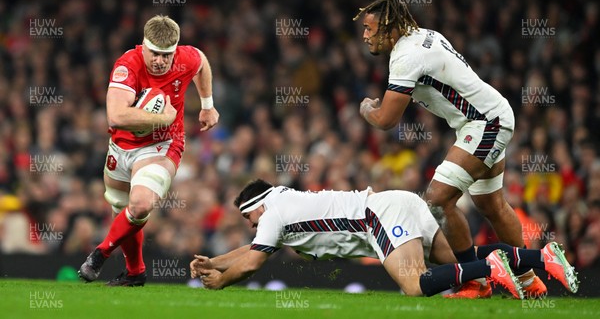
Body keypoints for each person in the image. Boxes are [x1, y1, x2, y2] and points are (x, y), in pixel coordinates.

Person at [354, 0, 544, 298]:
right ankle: (528, 280)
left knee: (438, 200)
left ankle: (476, 282)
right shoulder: (425, 36)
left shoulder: (405, 56)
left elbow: (387, 119)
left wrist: (366, 109)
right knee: (491, 205)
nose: (364, 35)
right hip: (487, 116)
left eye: (369, 28)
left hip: (485, 123)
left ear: (390, 28)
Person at [189, 179, 579, 298]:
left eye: (248, 217)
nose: (250, 225)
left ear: (257, 206)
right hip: (396, 202)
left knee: (416, 286)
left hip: (379, 215)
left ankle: (491, 269)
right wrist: (217, 261)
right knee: (460, 259)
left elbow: (256, 260)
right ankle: (541, 258)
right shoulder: (282, 204)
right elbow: (255, 249)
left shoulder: (271, 213)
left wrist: (221, 280)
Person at [78, 15, 219, 286]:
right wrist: (162, 118)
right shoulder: (126, 66)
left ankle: (101, 252)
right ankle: (135, 273)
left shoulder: (184, 58)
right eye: (155, 53)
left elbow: (201, 61)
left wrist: (207, 104)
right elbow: (115, 116)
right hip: (121, 146)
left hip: (163, 145)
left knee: (141, 204)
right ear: (143, 45)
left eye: (167, 55)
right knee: (124, 211)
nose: (161, 60)